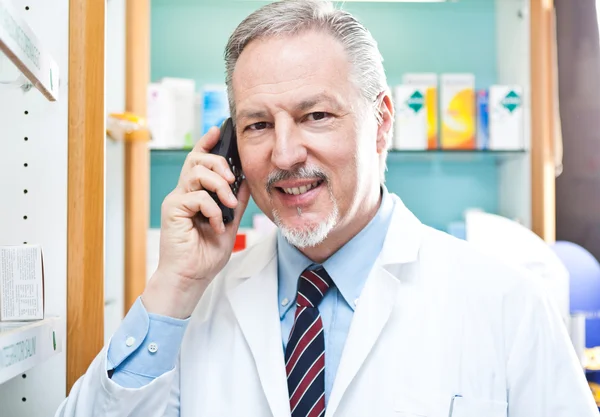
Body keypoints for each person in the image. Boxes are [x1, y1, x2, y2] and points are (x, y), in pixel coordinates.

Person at [56, 1, 598, 416]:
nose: (285, 155)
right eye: (258, 125)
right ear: (229, 147)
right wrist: (173, 286)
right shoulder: (185, 310)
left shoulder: (507, 302)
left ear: (382, 122)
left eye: (315, 115)